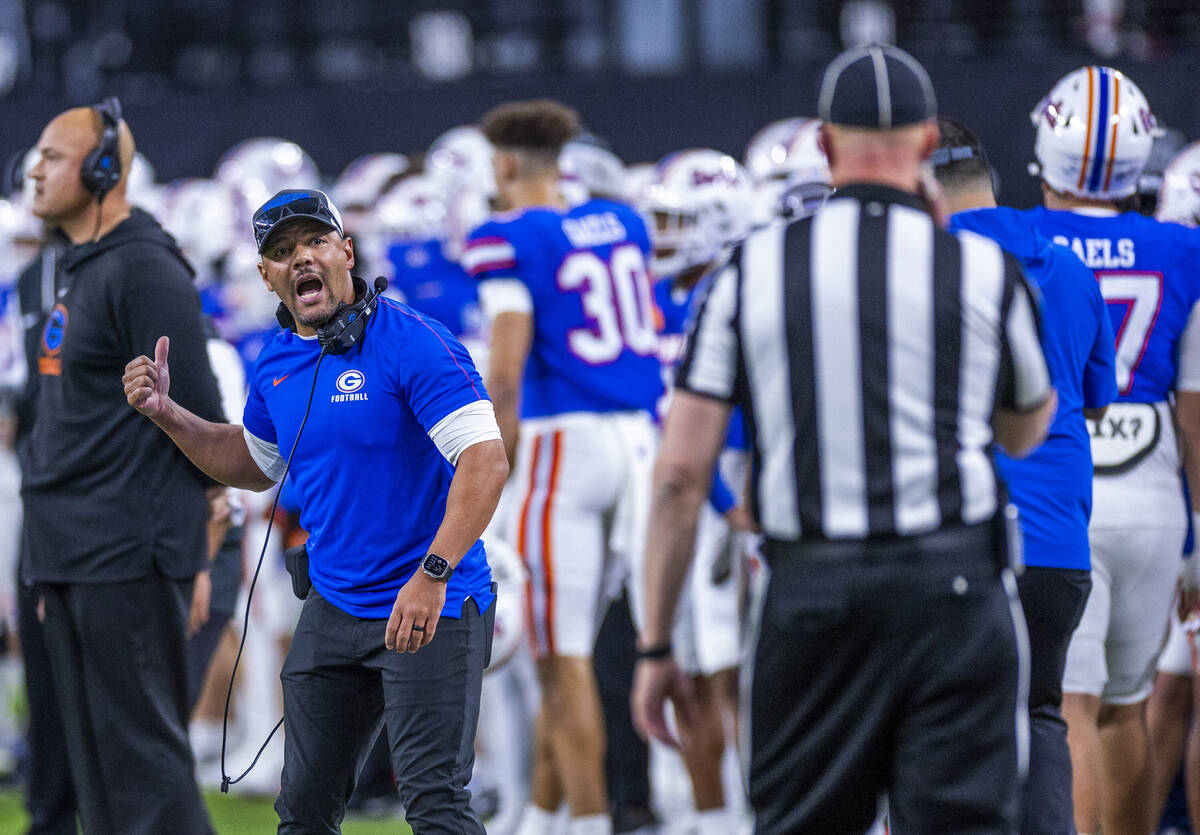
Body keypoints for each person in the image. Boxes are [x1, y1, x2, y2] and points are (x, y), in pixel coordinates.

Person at [632, 44, 1057, 834]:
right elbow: (1027, 427)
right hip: (955, 590)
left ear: (825, 145)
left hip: (813, 595)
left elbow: (678, 476)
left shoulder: (749, 271)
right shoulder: (978, 268)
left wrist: (656, 645)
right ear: (929, 142)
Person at [123, 187, 509, 834]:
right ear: (266, 275)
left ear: (346, 251)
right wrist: (169, 416)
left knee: (434, 802)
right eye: (281, 250)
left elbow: (486, 461)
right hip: (334, 605)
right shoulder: (277, 361)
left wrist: (433, 573)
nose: (300, 257)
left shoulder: (414, 342)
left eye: (314, 241)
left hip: (430, 601)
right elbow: (252, 461)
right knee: (302, 809)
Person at [462, 99, 663, 835]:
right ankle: (544, 815)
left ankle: (587, 822)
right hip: (637, 441)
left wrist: (489, 468)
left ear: (507, 165)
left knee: (558, 655)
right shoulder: (623, 222)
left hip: (560, 443)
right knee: (570, 647)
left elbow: (507, 371)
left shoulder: (507, 235)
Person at [22, 100, 222, 835]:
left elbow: (199, 412)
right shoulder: (82, 269)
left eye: (51, 155)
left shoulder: (143, 268)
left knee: (146, 774)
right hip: (73, 553)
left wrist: (200, 546)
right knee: (101, 782)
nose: (33, 169)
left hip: (127, 553)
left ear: (104, 170)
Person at [1023, 65, 1200, 835]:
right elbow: (1194, 410)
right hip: (1156, 491)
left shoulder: (1015, 238)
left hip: (1063, 485)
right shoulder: (1181, 250)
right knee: (1127, 706)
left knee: (1071, 706)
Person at [932, 116, 1119, 834]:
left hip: (961, 546)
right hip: (1058, 547)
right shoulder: (1068, 267)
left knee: (931, 731)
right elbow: (1096, 401)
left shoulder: (927, 267)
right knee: (1043, 716)